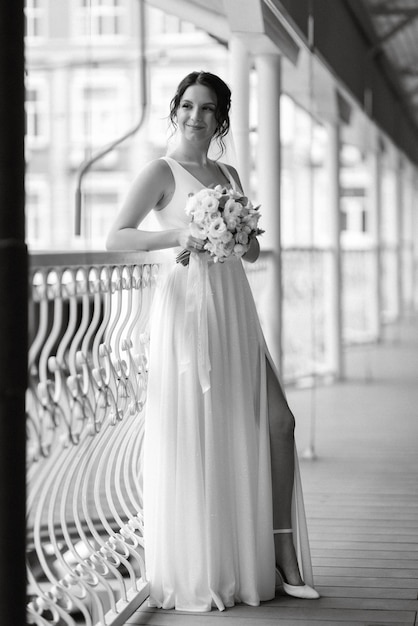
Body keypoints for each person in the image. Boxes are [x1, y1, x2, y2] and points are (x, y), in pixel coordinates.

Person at [106, 70, 319, 612]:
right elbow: (117, 237)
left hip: (233, 308)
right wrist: (178, 234)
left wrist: (238, 226)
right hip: (189, 313)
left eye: (208, 109)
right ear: (174, 110)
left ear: (221, 118)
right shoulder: (161, 171)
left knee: (279, 421)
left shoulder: (226, 171)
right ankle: (210, 564)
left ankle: (282, 553)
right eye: (188, 106)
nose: (196, 117)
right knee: (204, 433)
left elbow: (247, 255)